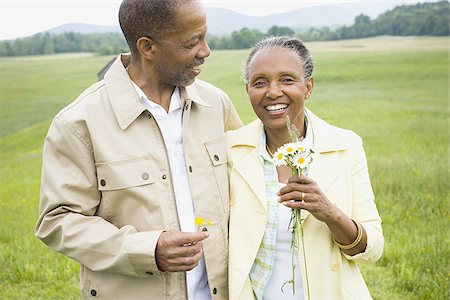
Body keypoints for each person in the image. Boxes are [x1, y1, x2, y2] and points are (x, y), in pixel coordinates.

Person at [35, 0, 242, 299]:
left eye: (204, 37)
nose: (205, 50)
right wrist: (147, 250)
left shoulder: (216, 103)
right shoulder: (78, 123)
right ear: (147, 47)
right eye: (192, 42)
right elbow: (57, 221)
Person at [226, 36, 384, 300]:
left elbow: (374, 250)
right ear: (248, 91)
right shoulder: (229, 151)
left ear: (308, 87)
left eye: (287, 79)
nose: (273, 92)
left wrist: (330, 213)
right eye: (260, 82)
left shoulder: (345, 147)